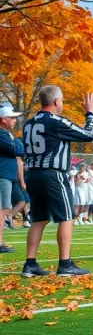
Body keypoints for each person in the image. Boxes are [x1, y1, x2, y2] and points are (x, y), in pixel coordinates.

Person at [21, 86, 93, 277]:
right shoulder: (55, 121)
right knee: (66, 216)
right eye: (61, 100)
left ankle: (30, 264)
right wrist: (90, 114)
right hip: (52, 174)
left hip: (33, 174)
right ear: (56, 101)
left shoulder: (29, 123)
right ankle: (65, 264)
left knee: (38, 219)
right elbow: (89, 134)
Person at [0, 105, 24, 252]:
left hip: (6, 176)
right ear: (3, 119)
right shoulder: (2, 135)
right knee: (3, 209)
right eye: (12, 118)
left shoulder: (6, 135)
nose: (15, 120)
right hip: (3, 175)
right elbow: (17, 150)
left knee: (4, 208)